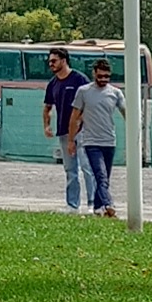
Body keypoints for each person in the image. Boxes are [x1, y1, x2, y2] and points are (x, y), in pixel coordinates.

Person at [71, 58, 126, 217]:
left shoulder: (115, 93)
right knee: (100, 174)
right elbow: (74, 117)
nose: (103, 79)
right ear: (94, 74)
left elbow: (126, 112)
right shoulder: (84, 91)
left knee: (105, 176)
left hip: (109, 141)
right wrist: (71, 139)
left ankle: (97, 207)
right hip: (91, 141)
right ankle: (108, 204)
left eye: (106, 76)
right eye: (100, 76)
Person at [43, 46, 86, 211]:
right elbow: (47, 107)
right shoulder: (52, 84)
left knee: (88, 167)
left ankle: (94, 204)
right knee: (70, 169)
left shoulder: (79, 80)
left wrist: (81, 122)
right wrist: (47, 126)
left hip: (83, 131)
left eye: (54, 61)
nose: (51, 64)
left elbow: (89, 103)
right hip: (63, 132)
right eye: (49, 62)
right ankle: (72, 205)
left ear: (64, 60)